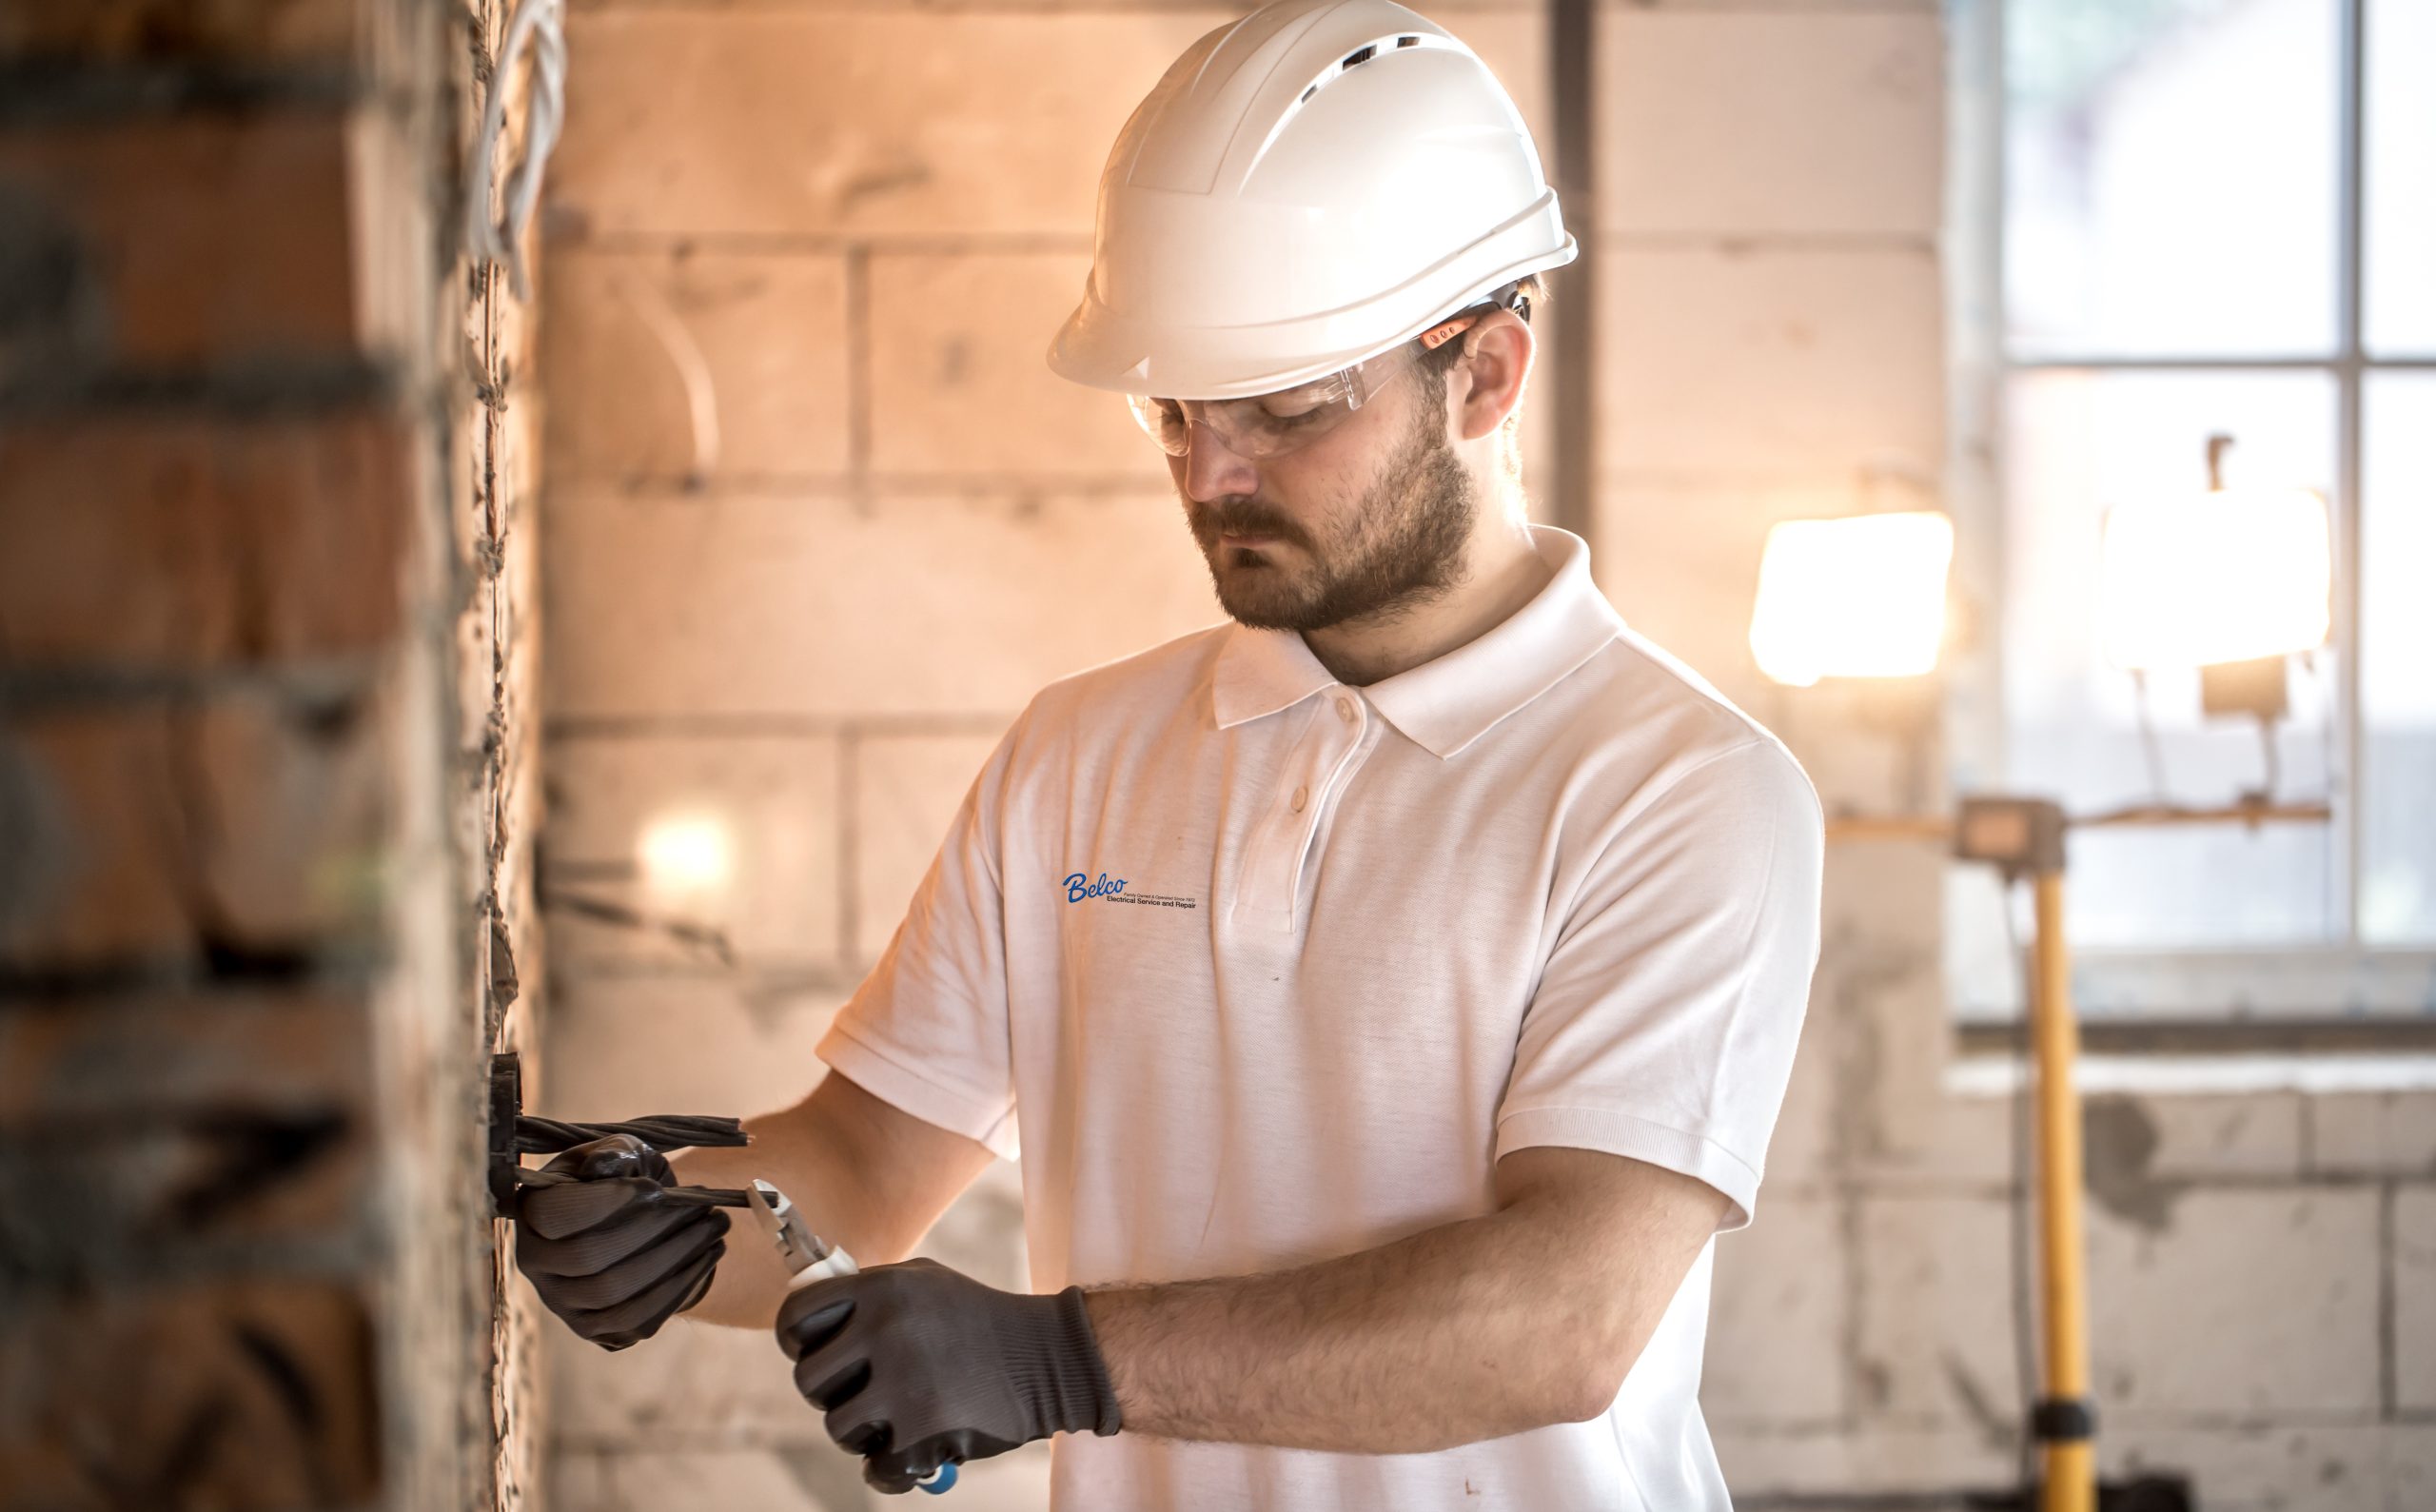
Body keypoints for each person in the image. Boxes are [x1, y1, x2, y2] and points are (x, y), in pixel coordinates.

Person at [512, 2, 1824, 1506]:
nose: (1211, 472)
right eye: (1175, 409)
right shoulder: (1084, 752)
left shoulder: (1681, 791)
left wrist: (1060, 1360)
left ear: (1485, 375)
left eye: (1285, 409)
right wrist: (665, 1232)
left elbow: (1559, 1317)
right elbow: (863, 1163)